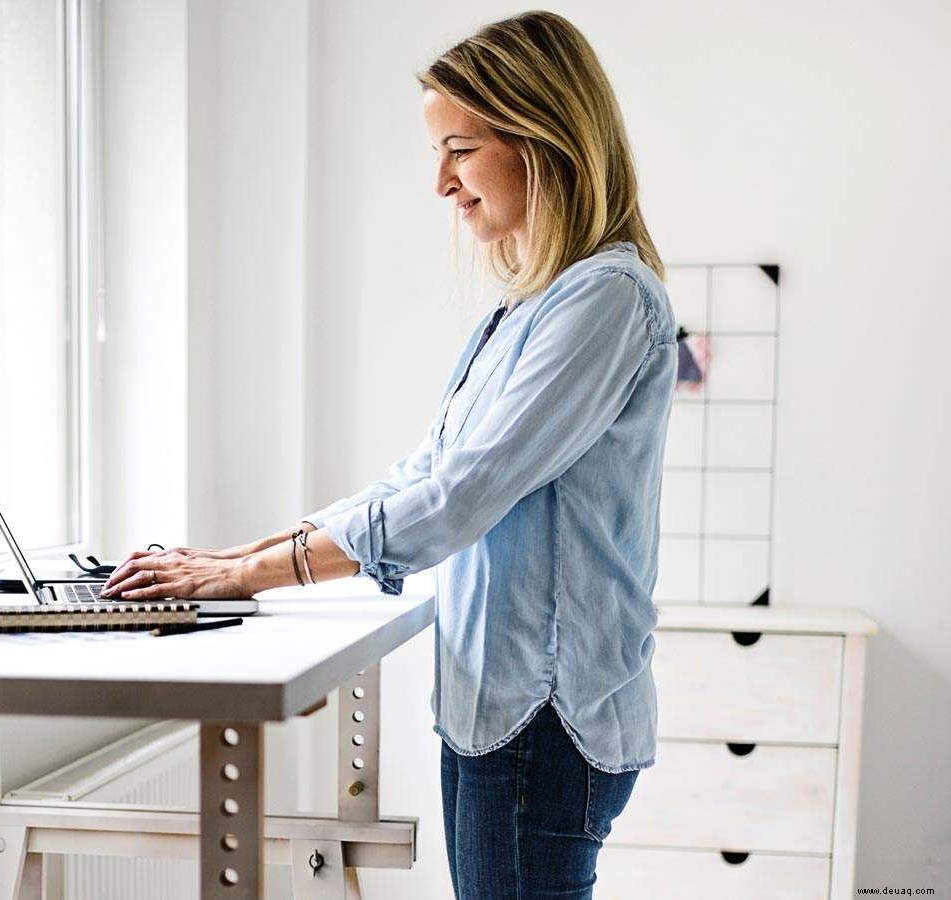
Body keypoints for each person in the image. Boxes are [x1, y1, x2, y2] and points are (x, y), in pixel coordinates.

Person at [102, 11, 676, 898]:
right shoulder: (529, 308)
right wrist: (239, 557)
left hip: (545, 722)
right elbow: (421, 476)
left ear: (544, 137)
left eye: (460, 148)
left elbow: (458, 498)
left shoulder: (605, 300)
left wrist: (252, 578)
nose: (442, 183)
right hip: (504, 710)